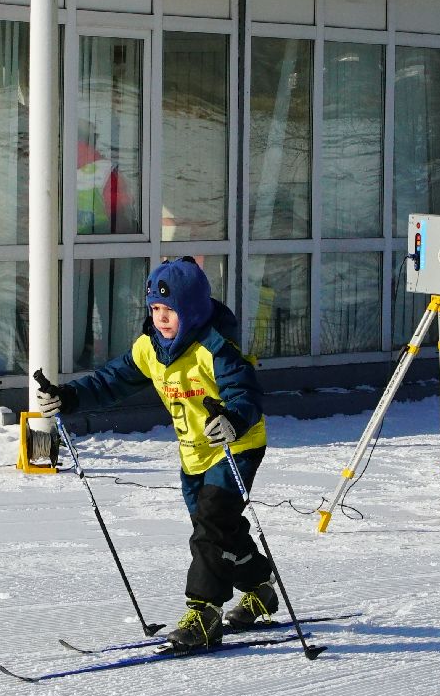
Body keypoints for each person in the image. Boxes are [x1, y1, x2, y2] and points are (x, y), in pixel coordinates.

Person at [34, 257, 276, 650]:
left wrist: (233, 419)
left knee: (211, 528)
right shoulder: (150, 349)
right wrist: (70, 397)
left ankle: (203, 612)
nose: (161, 318)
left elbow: (245, 395)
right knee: (220, 531)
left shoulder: (216, 349)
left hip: (236, 447)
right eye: (155, 309)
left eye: (170, 309)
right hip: (193, 453)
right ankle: (260, 589)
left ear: (192, 308)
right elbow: (112, 380)